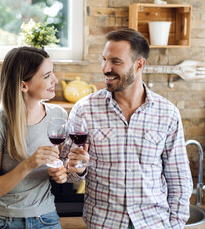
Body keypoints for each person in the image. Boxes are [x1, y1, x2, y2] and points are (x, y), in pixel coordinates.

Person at [65, 28, 193, 228]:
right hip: (104, 222)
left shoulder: (167, 113)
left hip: (153, 222)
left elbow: (179, 179)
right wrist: (78, 169)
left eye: (115, 61)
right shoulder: (84, 110)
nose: (105, 68)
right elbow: (68, 172)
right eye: (104, 59)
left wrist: (175, 224)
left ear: (139, 64)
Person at [0, 46, 68, 229]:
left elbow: (62, 164)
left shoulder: (58, 115)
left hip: (46, 217)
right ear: (23, 85)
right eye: (47, 76)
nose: (55, 80)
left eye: (53, 73)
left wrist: (62, 173)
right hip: (2, 221)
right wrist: (28, 164)